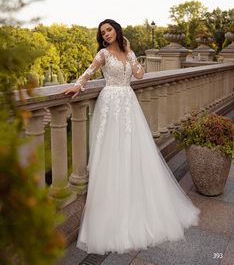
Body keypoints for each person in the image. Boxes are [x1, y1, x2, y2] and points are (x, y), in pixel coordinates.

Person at [63, 19, 200, 255]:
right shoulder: (103, 54)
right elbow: (89, 72)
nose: (106, 34)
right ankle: (111, 211)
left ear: (116, 30)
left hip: (129, 103)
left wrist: (131, 52)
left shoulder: (129, 51)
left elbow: (139, 76)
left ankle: (136, 205)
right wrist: (78, 85)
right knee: (111, 153)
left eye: (109, 29)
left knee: (133, 151)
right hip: (110, 103)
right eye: (102, 32)